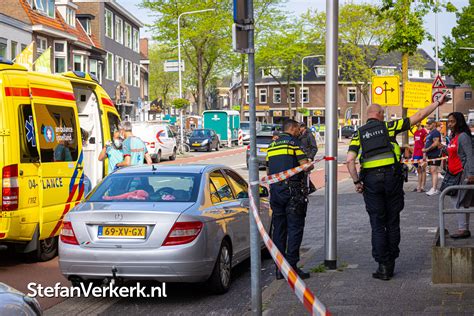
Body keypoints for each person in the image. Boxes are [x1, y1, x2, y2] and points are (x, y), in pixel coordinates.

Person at [345, 93, 448, 281]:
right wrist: (436, 103)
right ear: (379, 114)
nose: (384, 116)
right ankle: (391, 260)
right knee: (393, 221)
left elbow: (350, 160)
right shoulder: (388, 127)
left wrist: (356, 182)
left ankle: (383, 265)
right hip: (392, 180)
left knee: (377, 223)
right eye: (383, 114)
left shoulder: (358, 133)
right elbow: (418, 117)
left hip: (371, 183)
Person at [266, 119, 314, 280]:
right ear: (292, 128)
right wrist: (310, 164)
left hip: (275, 191)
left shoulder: (272, 146)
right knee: (295, 228)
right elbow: (304, 165)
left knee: (279, 230)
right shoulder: (294, 143)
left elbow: (268, 169)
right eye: (298, 129)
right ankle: (292, 267)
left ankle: (280, 269)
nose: (300, 131)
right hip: (292, 191)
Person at [444, 112, 474, 239]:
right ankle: (464, 229)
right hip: (453, 174)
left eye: (452, 121)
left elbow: (470, 155)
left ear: (459, 122)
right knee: (461, 202)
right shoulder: (454, 137)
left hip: (462, 173)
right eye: (449, 122)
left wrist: (471, 174)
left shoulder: (463, 137)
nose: (449, 124)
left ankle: (463, 229)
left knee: (459, 201)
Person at [423, 118, 442, 196]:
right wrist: (425, 152)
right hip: (431, 154)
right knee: (432, 171)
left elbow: (436, 143)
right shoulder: (430, 133)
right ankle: (434, 188)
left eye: (429, 124)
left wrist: (426, 149)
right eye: (427, 124)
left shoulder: (435, 132)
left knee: (434, 171)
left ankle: (434, 189)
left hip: (435, 154)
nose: (428, 125)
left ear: (434, 124)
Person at [299, 123, 318, 194]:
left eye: (300, 127)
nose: (298, 129)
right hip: (301, 158)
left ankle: (307, 189)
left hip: (307, 158)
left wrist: (310, 157)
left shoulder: (309, 135)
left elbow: (314, 148)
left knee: (305, 174)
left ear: (303, 127)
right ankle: (311, 188)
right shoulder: (299, 135)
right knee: (302, 174)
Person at [413, 123, 428, 192]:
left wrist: (424, 154)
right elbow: (415, 143)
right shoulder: (415, 132)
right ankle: (418, 186)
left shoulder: (424, 132)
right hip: (416, 153)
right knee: (418, 170)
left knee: (423, 169)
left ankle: (422, 186)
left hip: (422, 153)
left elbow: (425, 143)